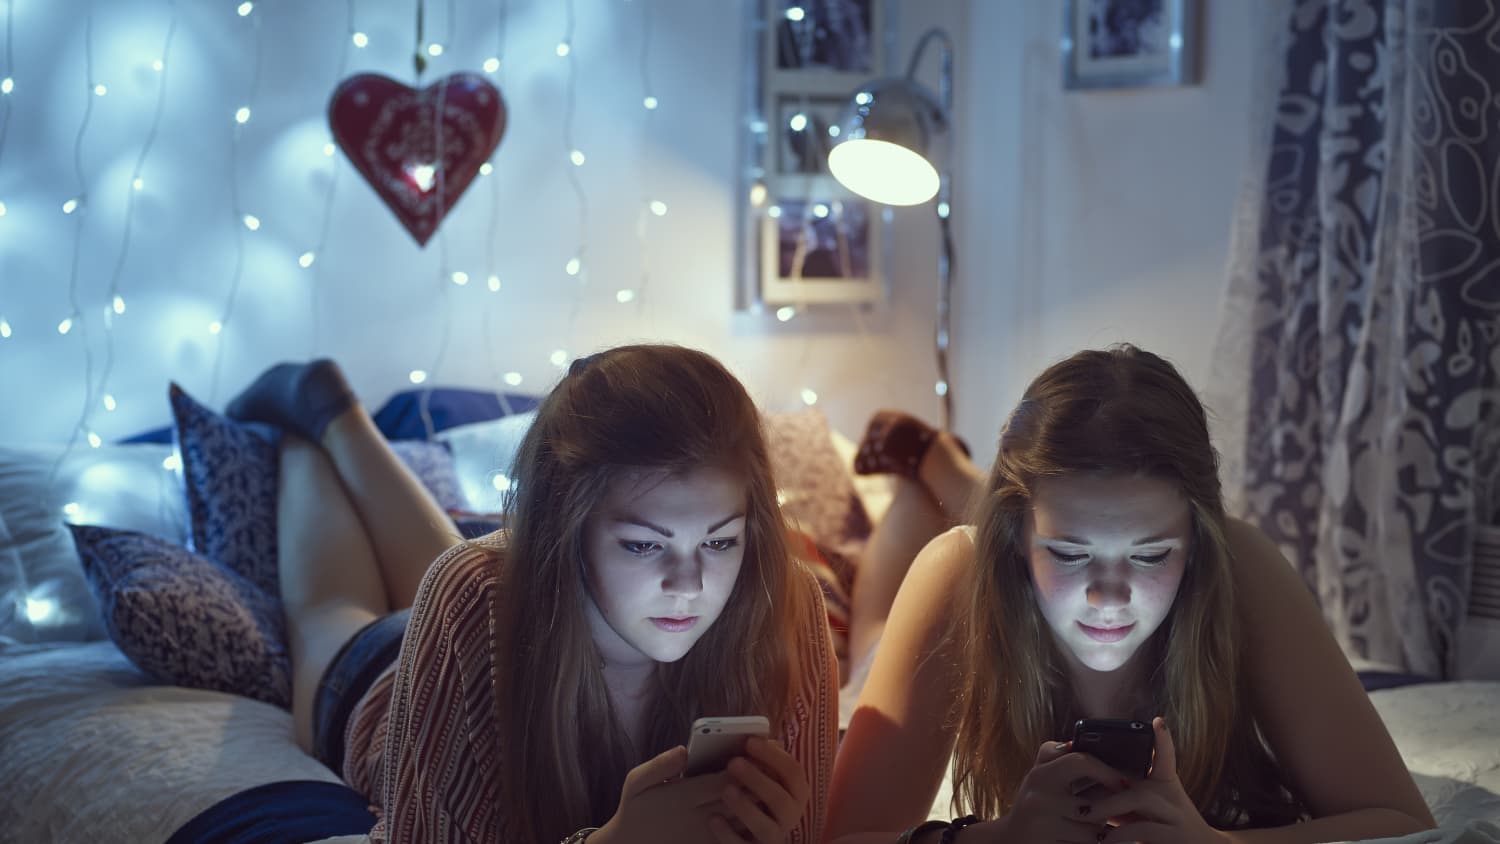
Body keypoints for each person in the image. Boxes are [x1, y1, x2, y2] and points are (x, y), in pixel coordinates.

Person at [823, 345, 1437, 843]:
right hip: (972, 572)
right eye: (1069, 553)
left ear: (1196, 539)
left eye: (1150, 554)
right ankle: (926, 471)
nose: (1109, 597)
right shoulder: (960, 572)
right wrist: (999, 838)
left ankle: (944, 467)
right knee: (870, 636)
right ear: (1014, 539)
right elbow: (845, 839)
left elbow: (1404, 823)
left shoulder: (1236, 562)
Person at [225, 345, 838, 843]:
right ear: (568, 528)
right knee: (329, 610)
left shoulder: (785, 602)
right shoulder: (471, 593)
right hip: (381, 686)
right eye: (644, 545)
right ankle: (311, 427)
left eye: (720, 542)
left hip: (488, 614)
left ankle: (331, 414)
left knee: (462, 569)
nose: (690, 586)